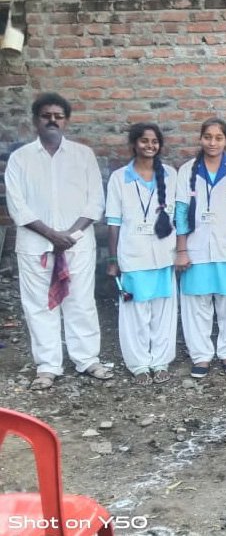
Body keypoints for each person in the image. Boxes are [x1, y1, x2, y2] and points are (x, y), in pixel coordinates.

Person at [5, 92, 110, 390]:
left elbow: (95, 202)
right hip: (35, 245)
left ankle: (87, 359)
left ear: (66, 121)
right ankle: (48, 366)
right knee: (38, 306)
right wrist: (52, 235)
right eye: (46, 116)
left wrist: (69, 236)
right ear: (35, 120)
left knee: (81, 302)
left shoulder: (83, 155)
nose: (52, 120)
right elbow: (17, 206)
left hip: (77, 245)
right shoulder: (20, 158)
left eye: (58, 116)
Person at [175, 118, 226, 379]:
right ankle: (201, 355)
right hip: (196, 248)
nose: (213, 143)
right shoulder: (187, 170)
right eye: (208, 137)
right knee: (196, 303)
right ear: (200, 138)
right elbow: (181, 212)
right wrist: (182, 250)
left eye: (218, 138)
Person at [105, 123, 178, 385]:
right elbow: (113, 222)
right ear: (134, 144)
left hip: (163, 253)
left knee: (163, 311)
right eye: (144, 141)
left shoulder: (169, 174)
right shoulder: (119, 178)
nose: (150, 146)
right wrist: (112, 259)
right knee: (135, 312)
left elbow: (178, 215)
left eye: (154, 141)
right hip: (133, 254)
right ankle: (138, 364)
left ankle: (160, 361)